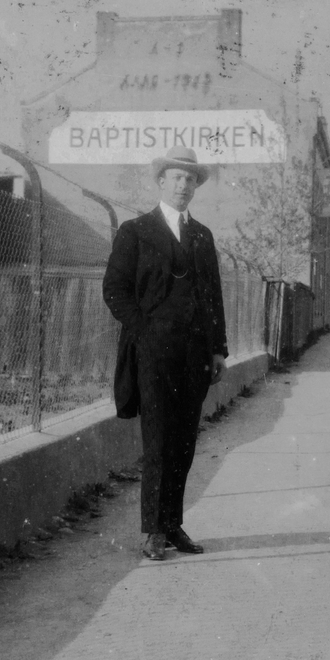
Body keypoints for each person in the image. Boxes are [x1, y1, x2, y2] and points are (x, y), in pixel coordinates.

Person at [102, 146, 228, 561]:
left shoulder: (202, 236)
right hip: (153, 355)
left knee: (185, 443)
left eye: (190, 179)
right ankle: (152, 532)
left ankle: (173, 525)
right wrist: (145, 332)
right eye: (176, 177)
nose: (184, 185)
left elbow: (212, 297)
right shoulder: (135, 231)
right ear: (161, 182)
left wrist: (218, 350)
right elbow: (115, 291)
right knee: (158, 441)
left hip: (192, 357)